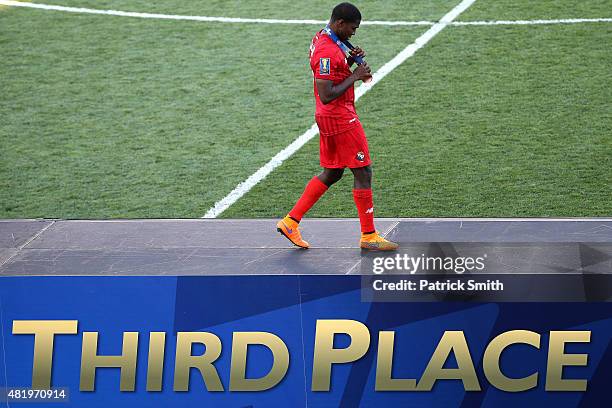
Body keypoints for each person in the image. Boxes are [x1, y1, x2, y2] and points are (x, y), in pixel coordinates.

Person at [276, 2, 398, 251]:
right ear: (340, 23)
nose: (354, 33)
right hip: (339, 117)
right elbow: (327, 93)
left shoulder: (325, 38)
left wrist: (350, 63)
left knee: (333, 172)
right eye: (352, 29)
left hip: (331, 117)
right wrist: (354, 75)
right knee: (363, 171)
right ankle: (368, 235)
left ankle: (291, 222)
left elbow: (333, 74)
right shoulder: (327, 51)